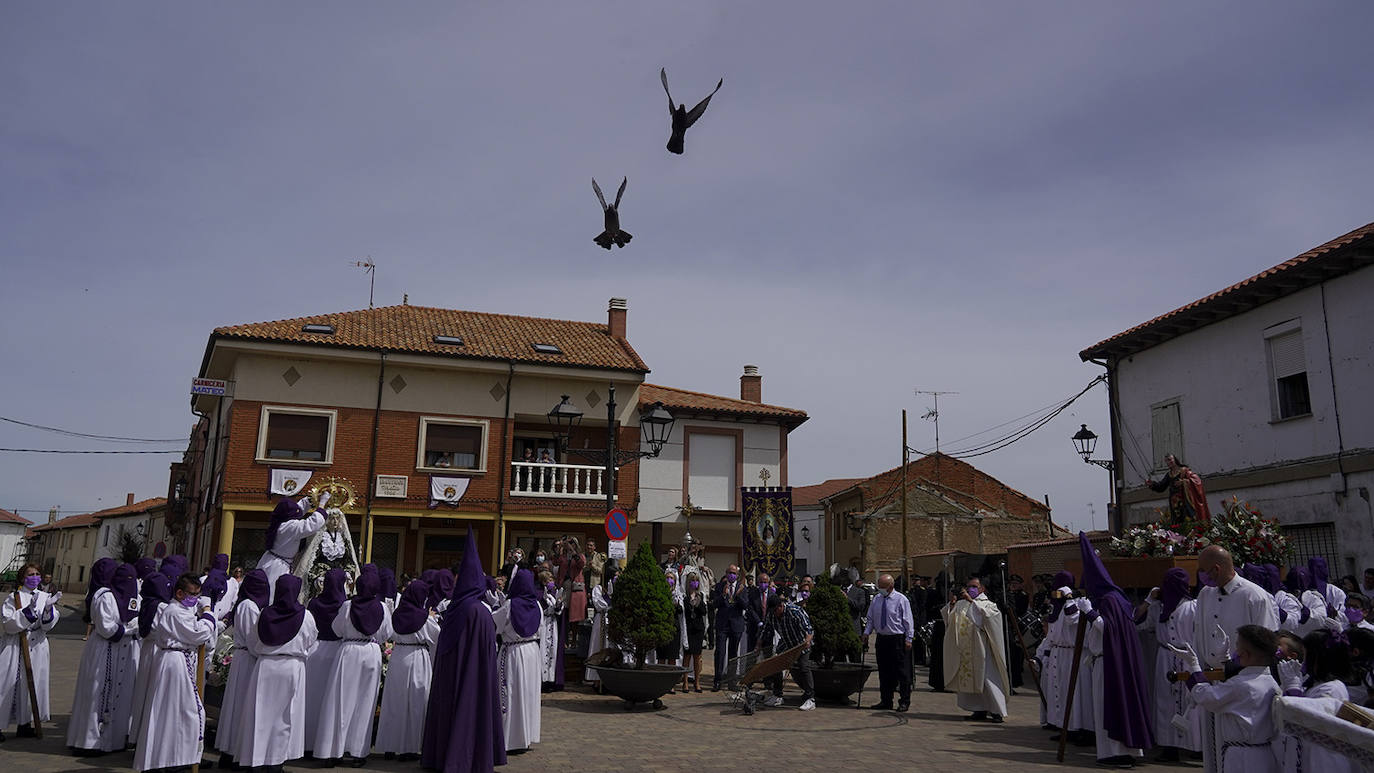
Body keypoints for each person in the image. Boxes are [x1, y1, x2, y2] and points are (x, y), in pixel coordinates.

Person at [422, 526, 505, 773]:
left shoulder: (455, 609)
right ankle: (471, 756)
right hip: (474, 677)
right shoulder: (480, 611)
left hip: (450, 675)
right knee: (472, 710)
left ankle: (445, 754)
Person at [1077, 532, 1153, 768]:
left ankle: (1115, 753)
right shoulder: (1117, 598)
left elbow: (1108, 629)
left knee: (1106, 707)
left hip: (1109, 662)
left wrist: (1089, 612)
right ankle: (1125, 750)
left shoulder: (1109, 600)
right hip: (1109, 659)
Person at [132, 573, 221, 773]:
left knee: (180, 712)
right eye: (192, 594)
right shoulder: (174, 611)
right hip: (174, 664)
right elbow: (200, 633)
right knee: (183, 711)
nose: (195, 599)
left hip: (182, 661)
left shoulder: (182, 610)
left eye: (198, 595)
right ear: (179, 593)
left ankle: (178, 756)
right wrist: (207, 612)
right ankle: (171, 758)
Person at [232, 574, 318, 771]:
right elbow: (311, 640)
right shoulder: (306, 616)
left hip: (265, 667)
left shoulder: (264, 614)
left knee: (259, 715)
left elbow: (253, 642)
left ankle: (255, 759)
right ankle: (276, 761)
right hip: (291, 667)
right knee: (285, 716)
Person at [1169, 625, 1281, 773]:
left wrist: (1194, 666)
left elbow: (1206, 696)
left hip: (1242, 757)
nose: (1236, 651)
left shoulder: (1241, 685)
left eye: (1238, 646)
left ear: (1245, 654)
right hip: (1264, 753)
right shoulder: (1270, 682)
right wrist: (1225, 660)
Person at [315, 565, 391, 768]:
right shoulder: (383, 607)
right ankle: (358, 752)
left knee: (340, 700)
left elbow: (336, 628)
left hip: (349, 651)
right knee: (366, 702)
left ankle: (334, 751)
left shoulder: (347, 606)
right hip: (371, 652)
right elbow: (386, 634)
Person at [67, 561, 139, 756]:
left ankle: (108, 740)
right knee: (97, 694)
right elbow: (107, 629)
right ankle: (90, 742)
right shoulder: (105, 596)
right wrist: (132, 629)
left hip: (114, 649)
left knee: (109, 694)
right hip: (103, 649)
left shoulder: (112, 595)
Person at [1136, 568, 1201, 761]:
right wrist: (1148, 601)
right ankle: (1169, 746)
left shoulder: (1194, 607)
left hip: (1188, 659)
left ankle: (1196, 746)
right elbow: (1137, 622)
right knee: (1166, 702)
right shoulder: (1157, 608)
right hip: (1165, 657)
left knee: (1193, 701)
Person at [1275, 628, 1356, 773]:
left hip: (1322, 761)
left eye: (1307, 656)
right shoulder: (1316, 685)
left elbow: (1312, 722)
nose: (1304, 661)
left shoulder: (1332, 689)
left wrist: (1293, 690)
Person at [376, 579, 438, 761]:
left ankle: (390, 745)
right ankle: (410, 748)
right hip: (418, 657)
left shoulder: (395, 615)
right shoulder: (425, 619)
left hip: (398, 657)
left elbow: (388, 634)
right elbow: (437, 637)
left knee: (394, 701)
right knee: (416, 703)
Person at [214, 568, 269, 769]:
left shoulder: (248, 604)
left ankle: (232, 751)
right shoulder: (249, 606)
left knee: (238, 706)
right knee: (241, 706)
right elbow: (251, 637)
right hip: (248, 657)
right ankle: (235, 752)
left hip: (244, 658)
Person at [0, 563, 60, 741]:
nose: (34, 577)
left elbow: (48, 625)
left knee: (31, 686)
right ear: (22, 577)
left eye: (37, 574)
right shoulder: (14, 597)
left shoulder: (45, 596)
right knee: (7, 684)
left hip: (38, 645)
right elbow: (8, 624)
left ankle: (24, 724)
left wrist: (48, 609)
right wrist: (28, 612)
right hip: (16, 645)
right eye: (30, 574)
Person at [942, 576, 1011, 722]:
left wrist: (971, 602)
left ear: (982, 589)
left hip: (983, 650)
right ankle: (978, 709)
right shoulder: (962, 603)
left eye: (973, 586)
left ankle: (996, 711)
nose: (969, 589)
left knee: (987, 680)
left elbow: (987, 621)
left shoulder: (988, 605)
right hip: (965, 650)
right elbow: (949, 620)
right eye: (968, 586)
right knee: (970, 680)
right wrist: (952, 605)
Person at [493, 569, 542, 752]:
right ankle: (526, 736)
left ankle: (509, 739)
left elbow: (495, 625)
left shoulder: (510, 604)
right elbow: (540, 628)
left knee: (510, 692)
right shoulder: (537, 605)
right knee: (528, 693)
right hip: (532, 652)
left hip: (513, 651)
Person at [302, 567, 346, 756]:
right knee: (330, 701)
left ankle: (306, 742)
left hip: (315, 651)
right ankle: (325, 745)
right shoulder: (344, 604)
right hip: (336, 651)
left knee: (310, 698)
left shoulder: (314, 602)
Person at [257, 493, 330, 599]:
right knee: (273, 595)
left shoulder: (279, 521)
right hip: (278, 567)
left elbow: (296, 510)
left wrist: (312, 499)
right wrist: (322, 503)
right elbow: (312, 523)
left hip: (269, 561)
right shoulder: (290, 527)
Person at [863, 573, 914, 712]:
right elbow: (871, 618)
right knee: (884, 671)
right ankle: (886, 700)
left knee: (902, 672)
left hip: (897, 638)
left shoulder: (901, 599)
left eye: (882, 587)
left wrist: (909, 638)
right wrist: (867, 633)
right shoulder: (877, 600)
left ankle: (904, 701)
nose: (880, 589)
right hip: (882, 638)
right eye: (879, 586)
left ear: (890, 586)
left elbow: (908, 621)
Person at [757, 594, 816, 710]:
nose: (774, 613)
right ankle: (778, 695)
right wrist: (758, 645)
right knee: (776, 664)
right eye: (772, 611)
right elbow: (764, 630)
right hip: (786, 643)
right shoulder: (771, 614)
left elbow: (809, 629)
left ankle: (810, 698)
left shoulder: (795, 611)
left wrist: (807, 641)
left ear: (781, 606)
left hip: (801, 643)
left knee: (804, 667)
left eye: (775, 610)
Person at [1146, 452, 1211, 522]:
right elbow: (1161, 487)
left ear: (1175, 460)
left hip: (1185, 500)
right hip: (1174, 503)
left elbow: (1196, 480)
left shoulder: (1184, 470)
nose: (1168, 462)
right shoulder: (1169, 475)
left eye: (1170, 459)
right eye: (1166, 461)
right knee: (1177, 521)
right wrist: (1152, 484)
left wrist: (1184, 482)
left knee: (1188, 518)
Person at [712, 564, 747, 691]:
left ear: (737, 576)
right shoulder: (720, 586)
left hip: (736, 624)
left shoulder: (742, 588)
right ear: (726, 574)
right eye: (729, 572)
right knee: (720, 652)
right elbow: (714, 603)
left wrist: (737, 595)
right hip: (722, 624)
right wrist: (723, 595)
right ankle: (717, 680)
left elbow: (745, 605)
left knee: (733, 654)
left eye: (734, 573)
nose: (731, 575)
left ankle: (732, 682)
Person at [584, 564, 616, 688]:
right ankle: (597, 680)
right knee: (599, 647)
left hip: (613, 620)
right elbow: (599, 605)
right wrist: (608, 597)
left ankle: (611, 681)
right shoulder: (598, 588)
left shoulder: (617, 588)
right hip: (601, 620)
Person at [536, 570, 565, 691]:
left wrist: (558, 604)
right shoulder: (538, 594)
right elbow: (539, 610)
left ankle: (551, 680)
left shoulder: (555, 593)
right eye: (549, 581)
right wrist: (545, 604)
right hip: (544, 624)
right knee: (543, 650)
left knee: (552, 650)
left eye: (552, 580)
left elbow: (559, 611)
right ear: (543, 582)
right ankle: (542, 680)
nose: (551, 582)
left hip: (553, 624)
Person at [682, 572, 708, 692]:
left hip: (698, 629)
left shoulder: (700, 595)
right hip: (688, 628)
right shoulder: (684, 596)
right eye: (692, 581)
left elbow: (703, 611)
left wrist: (697, 602)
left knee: (697, 656)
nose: (694, 583)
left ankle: (697, 682)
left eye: (696, 581)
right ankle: (685, 681)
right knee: (687, 656)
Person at [745, 571, 771, 653]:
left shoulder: (773, 595)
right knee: (751, 655)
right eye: (761, 582)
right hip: (754, 629)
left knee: (767, 655)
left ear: (768, 583)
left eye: (765, 582)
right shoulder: (752, 594)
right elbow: (751, 609)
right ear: (758, 582)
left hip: (768, 630)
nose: (763, 584)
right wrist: (758, 622)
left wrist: (766, 622)